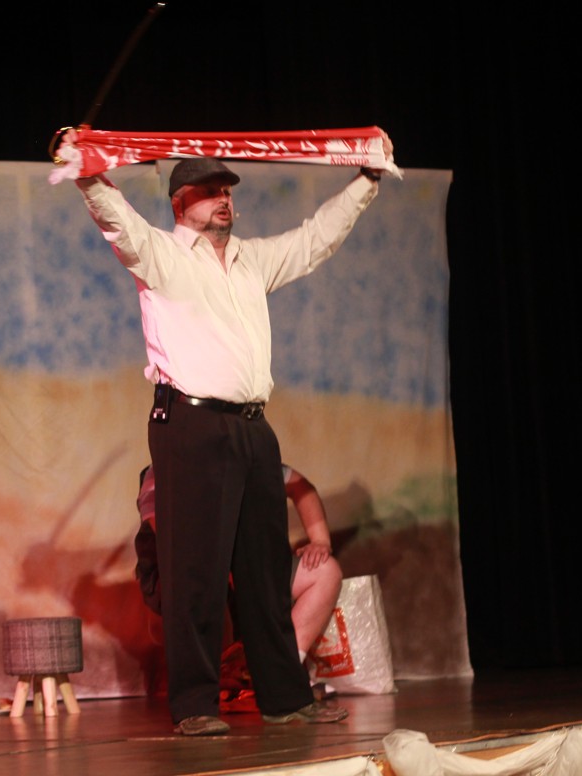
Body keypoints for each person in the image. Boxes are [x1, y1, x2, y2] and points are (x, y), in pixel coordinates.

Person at [63, 130, 390, 736]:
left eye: (227, 191)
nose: (224, 200)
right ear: (180, 202)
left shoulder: (250, 261)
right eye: (210, 191)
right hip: (190, 424)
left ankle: (284, 697)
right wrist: (88, 172)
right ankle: (194, 705)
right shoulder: (162, 255)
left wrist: (366, 179)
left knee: (264, 568)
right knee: (195, 570)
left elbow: (315, 239)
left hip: (252, 429)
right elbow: (118, 222)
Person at [133, 463, 343, 667]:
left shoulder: (246, 460)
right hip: (186, 577)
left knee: (325, 572)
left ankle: (282, 667)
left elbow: (300, 486)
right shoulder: (165, 472)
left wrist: (320, 540)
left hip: (247, 568)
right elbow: (176, 543)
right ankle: (225, 674)